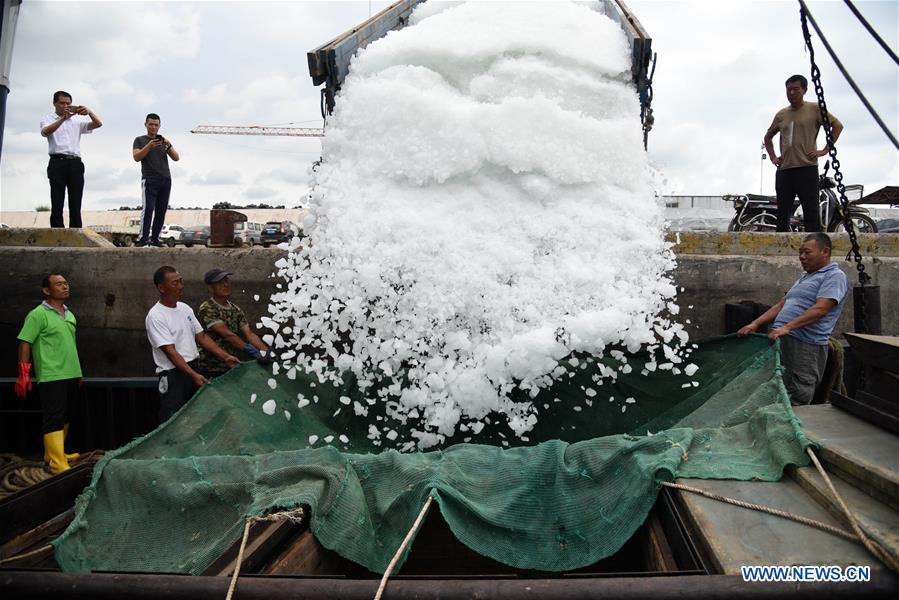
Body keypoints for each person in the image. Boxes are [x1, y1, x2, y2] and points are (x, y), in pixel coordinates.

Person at [737, 233, 849, 406]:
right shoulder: (805, 277)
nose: (802, 257)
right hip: (782, 341)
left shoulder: (834, 276)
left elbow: (821, 309)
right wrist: (755, 323)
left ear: (825, 252)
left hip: (805, 345)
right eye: (800, 252)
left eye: (807, 252)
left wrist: (787, 327)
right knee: (776, 389)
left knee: (798, 393)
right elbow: (781, 305)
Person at [145, 266, 239, 422]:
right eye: (175, 283)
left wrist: (225, 356)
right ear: (161, 288)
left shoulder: (185, 309)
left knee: (196, 420)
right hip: (174, 376)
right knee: (174, 420)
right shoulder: (156, 316)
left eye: (181, 281)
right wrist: (192, 375)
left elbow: (202, 337)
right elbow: (171, 352)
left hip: (194, 368)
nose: (181, 286)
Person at [15, 274, 84, 473]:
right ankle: (56, 461)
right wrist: (24, 374)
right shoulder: (38, 314)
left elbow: (70, 346)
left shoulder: (69, 314)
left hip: (71, 373)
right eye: (59, 284)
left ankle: (55, 453)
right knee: (54, 416)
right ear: (47, 290)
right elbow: (25, 342)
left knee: (67, 415)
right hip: (52, 374)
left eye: (66, 283)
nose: (65, 287)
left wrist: (78, 372)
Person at [764, 74, 843, 233]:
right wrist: (773, 156)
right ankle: (782, 247)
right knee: (783, 212)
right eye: (789, 90)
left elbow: (838, 126)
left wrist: (825, 150)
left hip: (806, 168)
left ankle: (812, 246)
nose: (792, 93)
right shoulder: (781, 115)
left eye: (796, 89)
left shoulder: (814, 109)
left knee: (811, 211)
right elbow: (768, 137)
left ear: (804, 90)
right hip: (785, 169)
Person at [39, 91, 103, 228]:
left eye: (68, 103)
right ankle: (57, 230)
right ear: (55, 103)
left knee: (75, 201)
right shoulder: (48, 118)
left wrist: (89, 112)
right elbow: (45, 132)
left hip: (75, 162)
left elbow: (98, 124)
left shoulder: (76, 121)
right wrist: (63, 118)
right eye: (62, 103)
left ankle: (76, 230)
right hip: (57, 161)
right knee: (57, 200)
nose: (66, 106)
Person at [196, 268, 272, 378]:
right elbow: (227, 335)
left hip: (231, 365)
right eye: (220, 283)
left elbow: (249, 334)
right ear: (210, 287)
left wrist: (265, 351)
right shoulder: (207, 308)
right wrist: (253, 351)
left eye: (226, 281)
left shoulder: (235, 309)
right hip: (210, 367)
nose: (225, 285)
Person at [133, 113, 180, 247]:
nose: (153, 127)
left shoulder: (163, 141)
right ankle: (143, 238)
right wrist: (149, 146)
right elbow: (136, 157)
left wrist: (168, 145)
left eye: (156, 125)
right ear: (146, 125)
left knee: (161, 210)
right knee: (148, 208)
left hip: (165, 179)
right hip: (149, 179)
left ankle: (155, 238)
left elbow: (176, 158)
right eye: (151, 124)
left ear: (159, 126)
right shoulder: (140, 140)